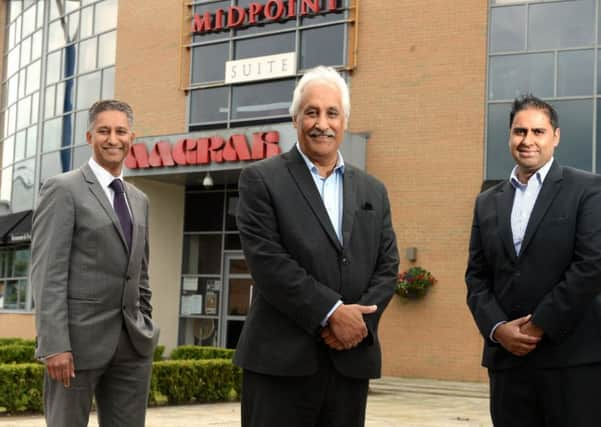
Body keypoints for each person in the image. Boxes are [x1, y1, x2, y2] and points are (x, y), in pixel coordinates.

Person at [234, 65, 399, 427]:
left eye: (332, 113)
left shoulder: (374, 191)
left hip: (350, 365)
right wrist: (331, 312)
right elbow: (267, 263)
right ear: (295, 119)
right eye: (311, 112)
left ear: (344, 121)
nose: (321, 123)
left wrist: (358, 326)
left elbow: (387, 267)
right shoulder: (260, 180)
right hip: (280, 366)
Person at [466, 94, 601, 426]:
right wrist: (498, 329)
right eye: (520, 131)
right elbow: (477, 278)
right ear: (510, 136)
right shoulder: (487, 202)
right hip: (508, 366)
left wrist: (538, 324)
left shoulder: (587, 189)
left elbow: (591, 266)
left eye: (538, 132)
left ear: (555, 137)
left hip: (570, 364)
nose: (527, 141)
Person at [30, 99, 159, 427]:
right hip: (75, 347)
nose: (112, 139)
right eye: (104, 131)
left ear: (132, 137)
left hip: (132, 344)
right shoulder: (63, 189)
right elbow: (48, 273)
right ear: (89, 136)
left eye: (120, 131)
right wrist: (54, 345)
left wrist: (144, 322)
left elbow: (139, 272)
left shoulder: (139, 200)